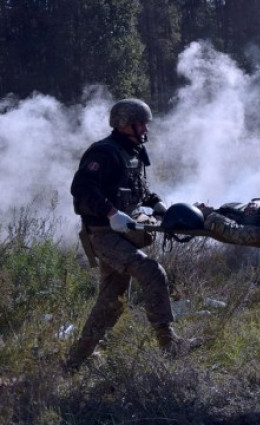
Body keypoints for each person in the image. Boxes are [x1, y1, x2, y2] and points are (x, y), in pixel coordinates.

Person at [66, 99, 201, 370]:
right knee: (152, 272)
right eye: (141, 123)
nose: (146, 127)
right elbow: (82, 187)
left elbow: (140, 190)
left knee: (112, 301)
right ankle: (169, 344)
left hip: (121, 233)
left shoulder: (133, 152)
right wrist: (111, 214)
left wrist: (159, 205)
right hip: (103, 233)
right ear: (125, 124)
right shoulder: (104, 152)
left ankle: (76, 361)